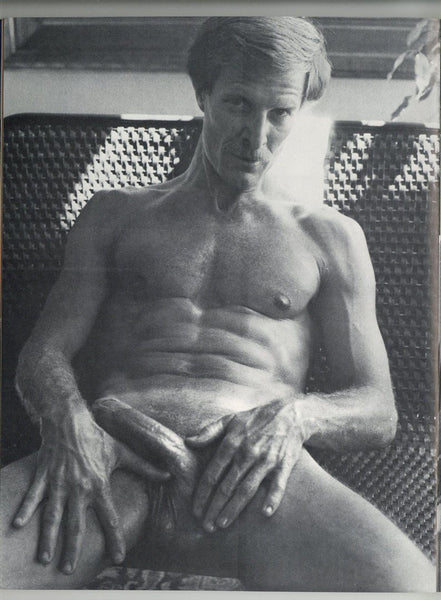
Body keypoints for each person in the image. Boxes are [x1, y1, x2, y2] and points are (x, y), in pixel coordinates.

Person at [0, 17, 435, 591]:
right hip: (108, 466)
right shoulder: (115, 214)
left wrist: (296, 417)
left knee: (411, 588)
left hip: (254, 480)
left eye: (280, 113)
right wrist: (70, 423)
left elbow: (378, 410)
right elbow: (43, 354)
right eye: (238, 104)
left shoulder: (330, 237)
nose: (256, 136)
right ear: (203, 93)